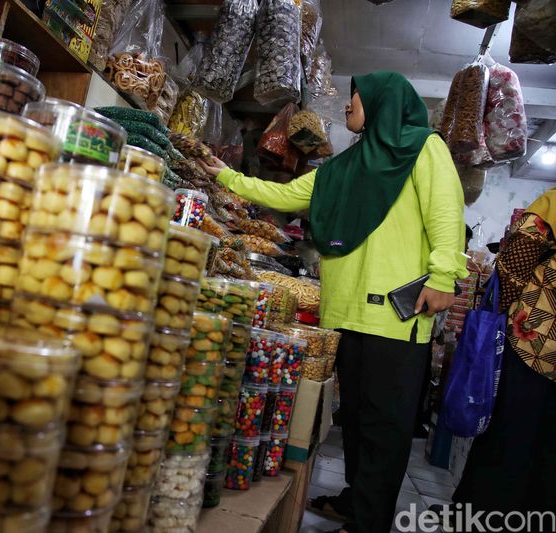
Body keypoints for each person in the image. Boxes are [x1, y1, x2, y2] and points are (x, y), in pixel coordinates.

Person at [200, 71, 468, 533]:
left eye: (356, 97)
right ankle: (356, 506)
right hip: (348, 311)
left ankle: (368, 522)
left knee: (385, 430)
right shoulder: (344, 168)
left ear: (383, 100)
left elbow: (446, 212)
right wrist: (221, 174)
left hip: (398, 316)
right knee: (358, 425)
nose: (348, 105)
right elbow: (283, 195)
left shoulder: (424, 148)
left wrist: (445, 275)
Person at [451, 190, 556, 521]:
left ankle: (483, 517)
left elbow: (514, 266)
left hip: (536, 340)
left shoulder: (554, 203)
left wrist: (499, 307)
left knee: (509, 434)